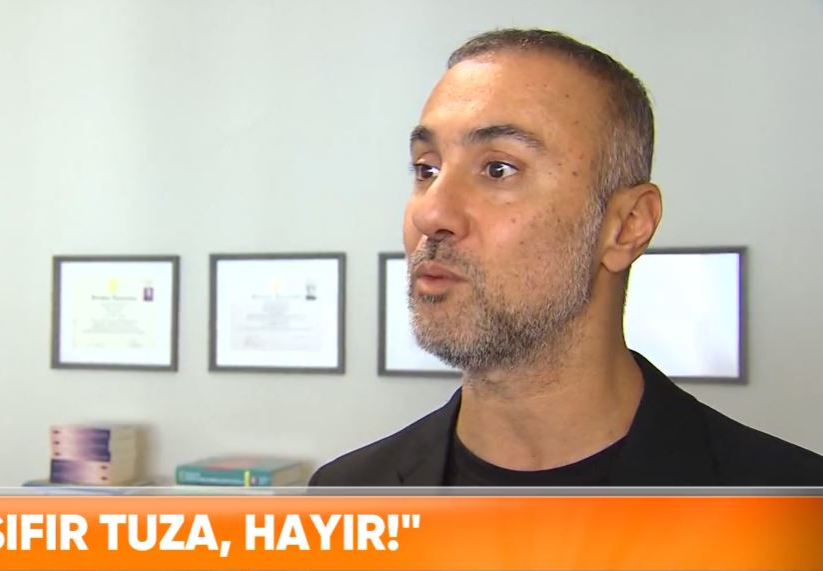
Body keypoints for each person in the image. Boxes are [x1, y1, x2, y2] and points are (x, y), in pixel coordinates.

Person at [310, 28, 823, 486]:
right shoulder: (348, 498)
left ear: (627, 225)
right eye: (427, 169)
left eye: (498, 169)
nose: (430, 214)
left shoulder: (790, 513)